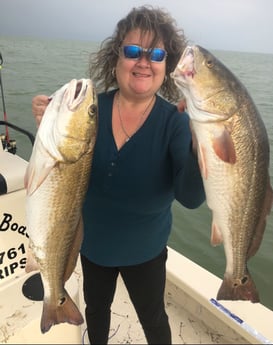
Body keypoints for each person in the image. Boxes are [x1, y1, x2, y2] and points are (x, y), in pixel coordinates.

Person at [32, 6, 205, 344]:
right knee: (96, 310)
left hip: (146, 251)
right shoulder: (89, 110)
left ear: (166, 65)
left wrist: (200, 147)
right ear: (116, 58)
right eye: (132, 51)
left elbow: (191, 197)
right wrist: (47, 125)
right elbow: (54, 172)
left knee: (153, 318)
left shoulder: (176, 123)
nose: (144, 61)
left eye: (156, 54)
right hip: (90, 245)